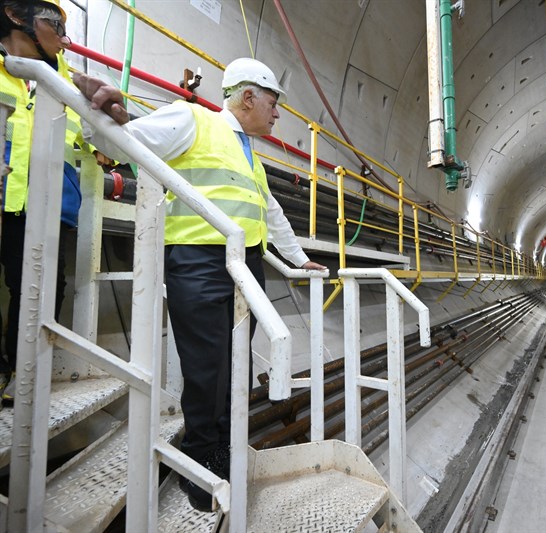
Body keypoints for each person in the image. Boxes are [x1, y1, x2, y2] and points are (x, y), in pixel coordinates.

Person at [74, 57, 326, 511]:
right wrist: (101, 114)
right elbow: (124, 140)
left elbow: (270, 212)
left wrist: (299, 259)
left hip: (244, 267)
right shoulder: (193, 120)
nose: (277, 113)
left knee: (234, 366)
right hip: (199, 261)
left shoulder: (250, 154)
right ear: (248, 97)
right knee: (207, 369)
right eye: (273, 103)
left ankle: (224, 451)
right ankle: (199, 465)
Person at [0, 0, 108, 402]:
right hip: (8, 193)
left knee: (42, 288)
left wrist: (105, 142)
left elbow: (87, 132)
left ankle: (22, 370)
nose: (64, 39)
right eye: (56, 26)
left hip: (50, 199)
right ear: (15, 15)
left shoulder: (64, 78)